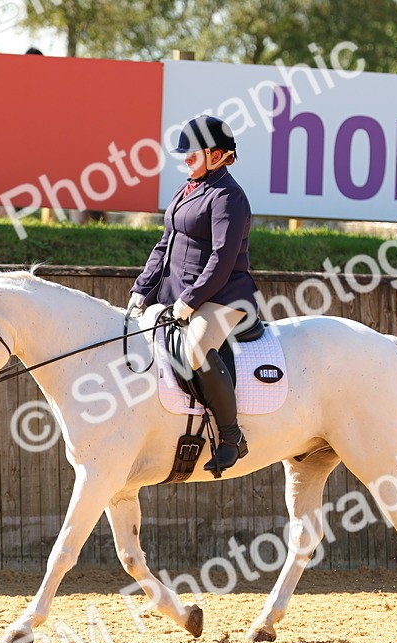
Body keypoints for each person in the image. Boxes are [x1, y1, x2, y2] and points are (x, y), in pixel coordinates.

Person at [128, 115, 258, 476]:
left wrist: (190, 301)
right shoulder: (187, 189)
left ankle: (232, 438)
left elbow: (222, 257)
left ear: (217, 156)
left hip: (224, 296)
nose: (185, 158)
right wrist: (142, 289)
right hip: (174, 293)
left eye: (192, 153)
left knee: (195, 348)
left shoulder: (229, 197)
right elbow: (165, 244)